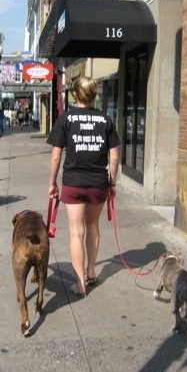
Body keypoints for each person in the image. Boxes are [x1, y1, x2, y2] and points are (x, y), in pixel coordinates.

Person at [47, 76, 120, 297]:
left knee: (76, 232)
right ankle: (91, 272)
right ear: (94, 95)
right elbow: (114, 157)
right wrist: (112, 182)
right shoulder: (106, 120)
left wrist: (52, 183)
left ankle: (79, 284)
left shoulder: (65, 119)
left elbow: (56, 156)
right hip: (99, 183)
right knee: (93, 225)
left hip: (73, 183)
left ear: (75, 95)